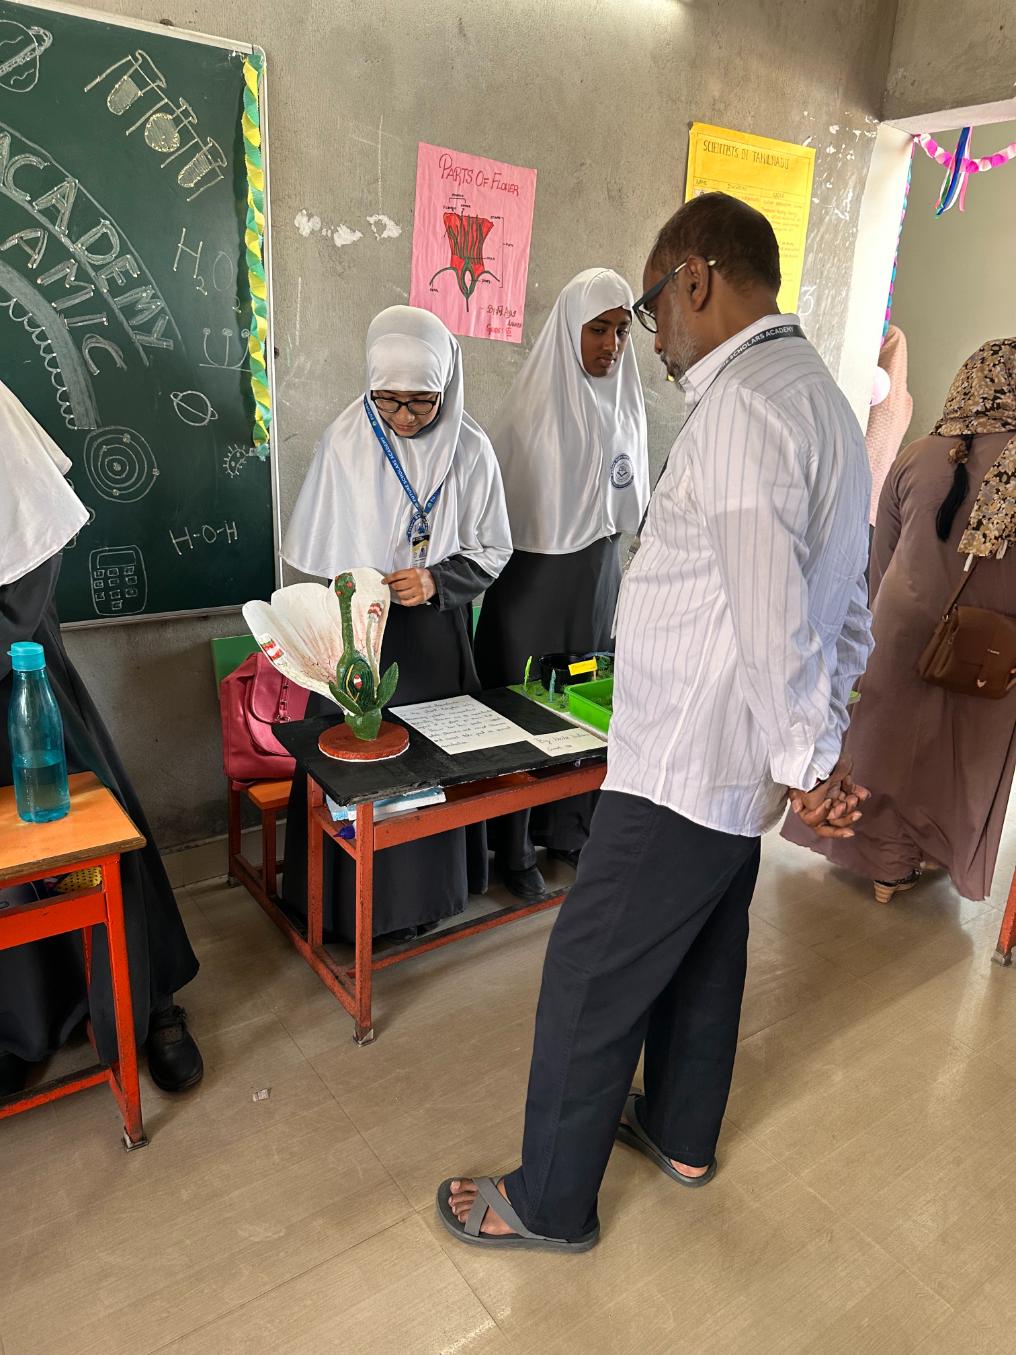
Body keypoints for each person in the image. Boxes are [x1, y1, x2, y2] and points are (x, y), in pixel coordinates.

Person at [436, 192, 872, 1251]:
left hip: (683, 757)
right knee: (705, 950)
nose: (651, 337)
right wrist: (813, 745)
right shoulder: (819, 398)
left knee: (588, 972)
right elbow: (843, 604)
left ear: (696, 278)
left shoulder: (742, 408)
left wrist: (809, 758)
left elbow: (770, 609)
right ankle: (679, 1131)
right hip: (734, 759)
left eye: (649, 308)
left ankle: (550, 1200)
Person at [281, 306, 512, 942]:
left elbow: (495, 548)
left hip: (433, 638)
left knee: (430, 762)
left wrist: (438, 581)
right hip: (357, 636)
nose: (405, 417)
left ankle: (423, 903)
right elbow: (317, 549)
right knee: (352, 760)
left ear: (447, 385)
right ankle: (341, 909)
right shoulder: (344, 440)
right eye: (388, 400)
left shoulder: (471, 448)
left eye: (422, 401)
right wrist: (355, 587)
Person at [0, 380, 202, 1096]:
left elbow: (29, 559)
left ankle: (151, 999)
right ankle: (25, 1022)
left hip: (20, 672)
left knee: (96, 836)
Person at [783, 339, 1016, 904]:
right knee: (959, 762)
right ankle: (923, 855)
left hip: (899, 624)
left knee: (881, 744)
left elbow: (880, 554)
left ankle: (881, 859)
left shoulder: (917, 454)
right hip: (990, 643)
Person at [473, 269, 649, 900]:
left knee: (584, 702)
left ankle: (571, 830)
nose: (611, 345)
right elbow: (500, 519)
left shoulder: (625, 404)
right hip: (535, 584)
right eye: (598, 329)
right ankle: (514, 847)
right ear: (570, 329)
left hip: (597, 579)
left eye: (622, 331)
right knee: (527, 708)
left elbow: (628, 502)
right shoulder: (530, 411)